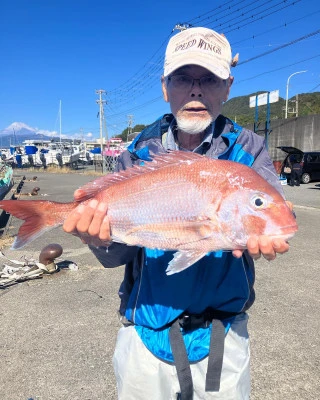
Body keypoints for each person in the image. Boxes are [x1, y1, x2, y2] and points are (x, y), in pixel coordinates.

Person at [63, 27, 293, 400]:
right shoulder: (137, 155)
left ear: (228, 86)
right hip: (143, 331)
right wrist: (95, 238)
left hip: (223, 333)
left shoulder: (250, 151)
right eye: (183, 78)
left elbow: (267, 215)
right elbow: (116, 257)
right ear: (165, 86)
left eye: (210, 79)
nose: (196, 90)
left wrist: (260, 237)